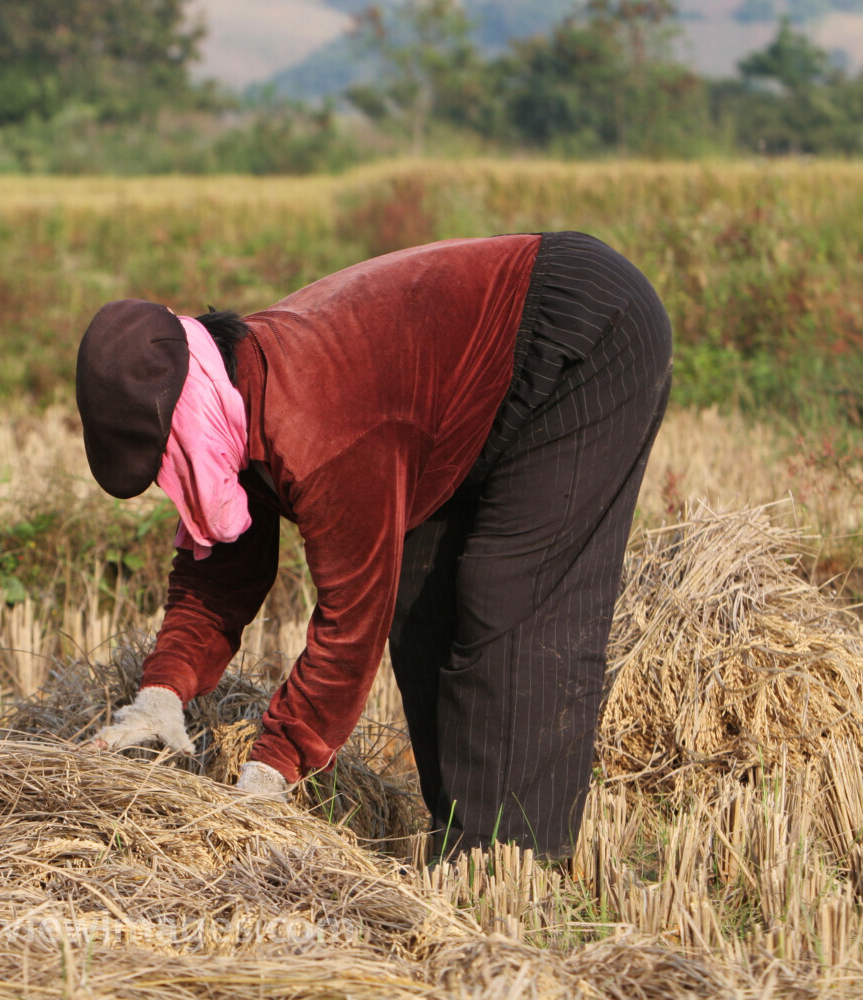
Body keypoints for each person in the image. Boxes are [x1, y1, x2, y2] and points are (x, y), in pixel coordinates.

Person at [76, 232, 671, 861]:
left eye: (171, 463)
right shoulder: (224, 398)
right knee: (421, 601)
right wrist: (159, 698)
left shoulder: (315, 428)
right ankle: (463, 846)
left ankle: (519, 869)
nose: (180, 484)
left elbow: (350, 622)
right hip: (454, 401)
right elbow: (220, 575)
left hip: (580, 327)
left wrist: (269, 773)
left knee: (509, 599)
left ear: (188, 421)